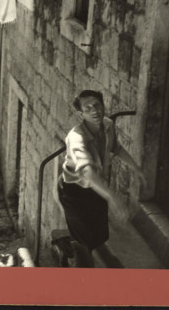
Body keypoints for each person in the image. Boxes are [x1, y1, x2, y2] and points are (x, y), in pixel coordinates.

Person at [57, 90, 145, 267]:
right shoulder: (76, 137)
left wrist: (136, 169)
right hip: (74, 191)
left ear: (103, 105)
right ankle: (79, 263)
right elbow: (87, 173)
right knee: (82, 241)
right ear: (81, 114)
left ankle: (70, 245)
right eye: (87, 108)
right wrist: (113, 197)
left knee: (99, 234)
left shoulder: (108, 125)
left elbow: (116, 148)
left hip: (97, 186)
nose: (94, 111)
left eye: (97, 105)